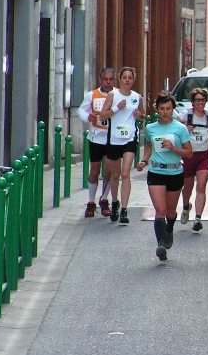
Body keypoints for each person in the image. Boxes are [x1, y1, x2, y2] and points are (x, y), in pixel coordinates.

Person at [137, 92, 192, 261]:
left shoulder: (180, 128)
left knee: (170, 211)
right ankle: (161, 244)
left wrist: (174, 148)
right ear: (157, 109)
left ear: (173, 109)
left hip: (174, 172)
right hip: (156, 172)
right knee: (160, 210)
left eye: (168, 108)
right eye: (162, 109)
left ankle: (169, 229)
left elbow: (189, 153)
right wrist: (144, 160)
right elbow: (148, 145)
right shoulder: (150, 128)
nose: (165, 112)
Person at [99, 66, 146, 224]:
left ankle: (124, 209)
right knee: (115, 174)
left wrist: (139, 116)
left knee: (126, 173)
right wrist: (116, 108)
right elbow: (102, 116)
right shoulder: (113, 95)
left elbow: (143, 115)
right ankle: (114, 203)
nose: (127, 80)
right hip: (114, 139)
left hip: (130, 139)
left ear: (133, 80)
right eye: (124, 77)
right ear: (120, 79)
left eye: (130, 78)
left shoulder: (137, 97)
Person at [78, 67, 114, 218]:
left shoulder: (116, 95)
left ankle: (104, 199)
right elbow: (81, 111)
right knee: (95, 169)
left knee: (110, 169)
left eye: (111, 79)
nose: (108, 82)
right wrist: (89, 117)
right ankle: (91, 202)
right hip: (96, 137)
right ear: (100, 80)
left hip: (112, 138)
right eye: (105, 79)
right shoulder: (92, 95)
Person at [176, 87, 208, 231]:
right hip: (188, 155)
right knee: (188, 186)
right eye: (197, 100)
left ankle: (198, 218)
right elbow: (174, 129)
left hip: (204, 155)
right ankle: (186, 206)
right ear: (193, 102)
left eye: (203, 100)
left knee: (201, 186)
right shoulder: (186, 115)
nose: (200, 103)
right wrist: (185, 128)